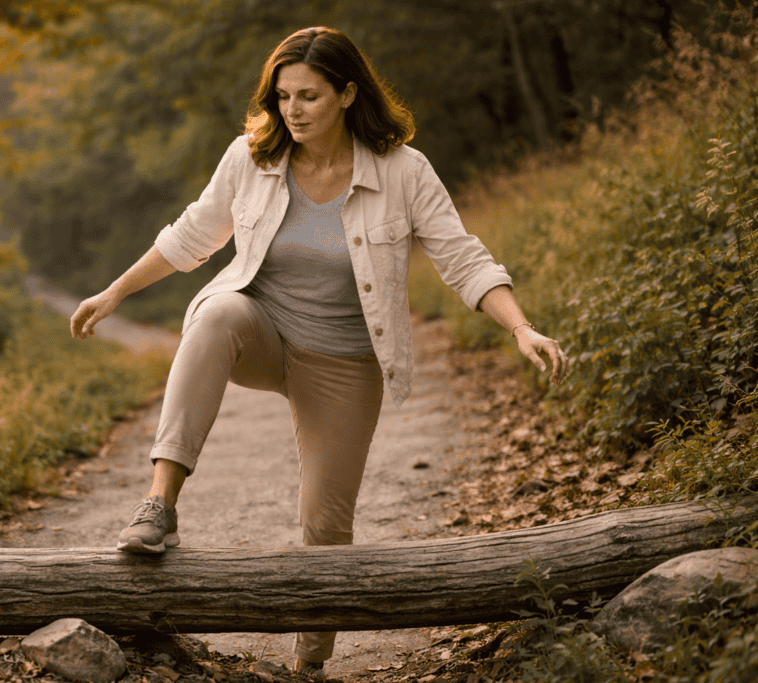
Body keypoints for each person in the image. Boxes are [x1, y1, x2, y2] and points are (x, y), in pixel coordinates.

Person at [70, 26, 569, 676]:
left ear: (347, 92)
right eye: (282, 96)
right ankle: (159, 503)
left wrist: (520, 326)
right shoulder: (251, 160)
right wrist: (116, 291)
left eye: (308, 95)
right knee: (216, 311)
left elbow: (461, 256)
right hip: (264, 333)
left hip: (345, 363)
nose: (293, 110)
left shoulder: (402, 171)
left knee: (326, 535)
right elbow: (193, 234)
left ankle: (307, 665)